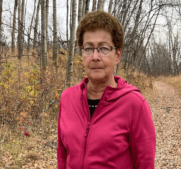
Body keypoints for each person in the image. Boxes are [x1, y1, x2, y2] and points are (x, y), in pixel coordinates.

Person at [57, 10, 156, 169]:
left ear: (117, 55)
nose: (95, 56)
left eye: (103, 48)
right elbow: (62, 155)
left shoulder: (135, 104)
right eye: (88, 48)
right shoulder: (67, 98)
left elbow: (145, 164)